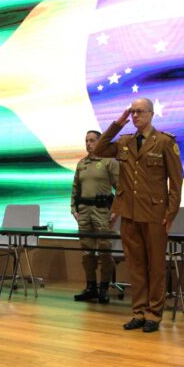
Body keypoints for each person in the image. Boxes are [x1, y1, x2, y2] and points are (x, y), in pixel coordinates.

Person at [94, 98, 183, 333]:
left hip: (155, 214)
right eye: (132, 112)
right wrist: (117, 123)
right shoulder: (125, 141)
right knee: (136, 266)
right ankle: (139, 312)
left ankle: (154, 313)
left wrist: (171, 213)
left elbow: (176, 181)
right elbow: (99, 149)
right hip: (129, 213)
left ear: (152, 114)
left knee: (155, 266)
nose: (135, 116)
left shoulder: (164, 141)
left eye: (139, 112)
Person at [70, 130, 119, 304]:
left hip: (102, 212)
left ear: (100, 142)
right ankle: (91, 287)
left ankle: (104, 288)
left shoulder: (109, 162)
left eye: (92, 141)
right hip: (84, 212)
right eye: (86, 141)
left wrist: (116, 211)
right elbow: (75, 188)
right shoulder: (82, 163)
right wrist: (73, 209)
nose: (88, 144)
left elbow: (120, 188)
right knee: (87, 251)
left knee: (105, 250)